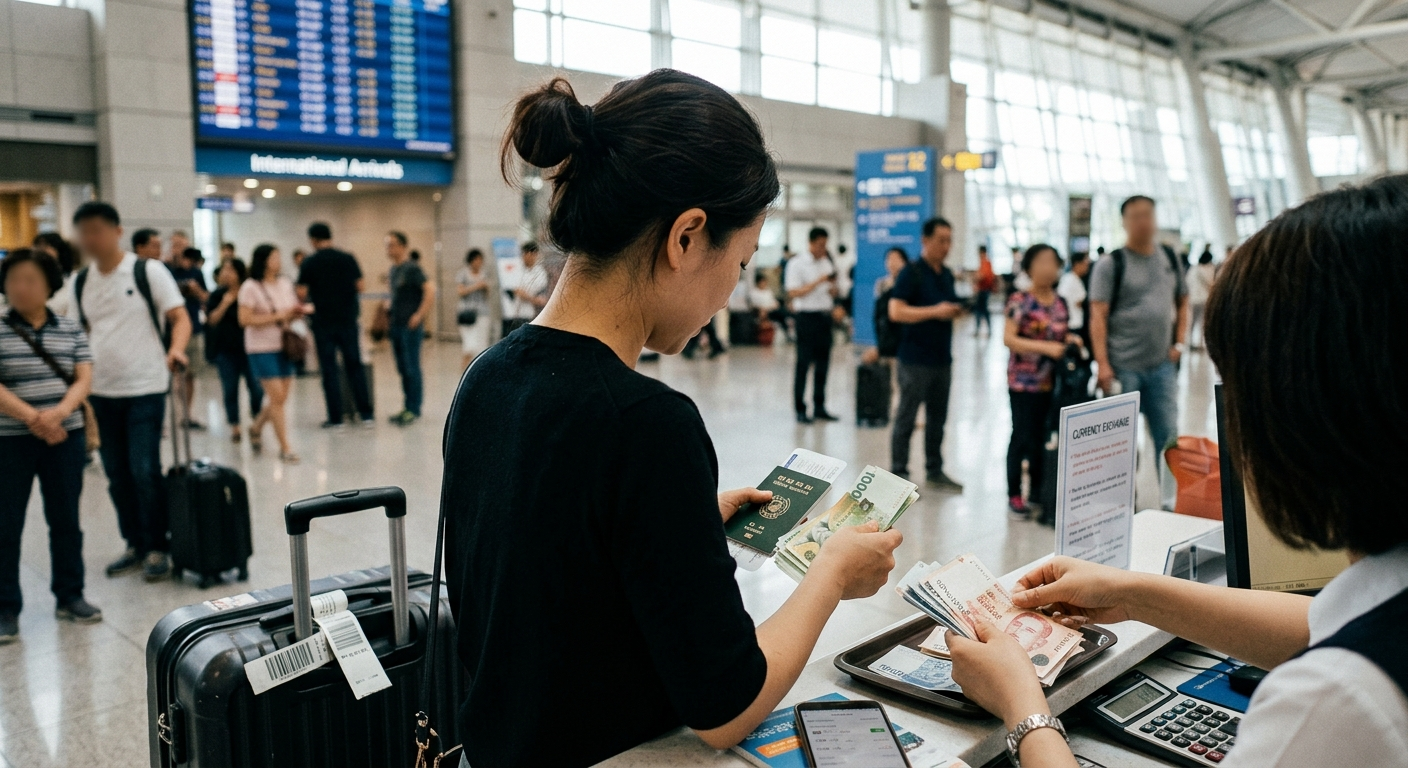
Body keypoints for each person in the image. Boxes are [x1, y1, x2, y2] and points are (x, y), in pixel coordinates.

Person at [443, 72, 903, 768]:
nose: (731, 290)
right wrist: (832, 573)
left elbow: (539, 563)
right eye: (739, 262)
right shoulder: (648, 422)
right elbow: (726, 707)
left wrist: (676, 521)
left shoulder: (486, 376)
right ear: (687, 236)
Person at [947, 175, 1408, 768]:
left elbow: (1337, 649)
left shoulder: (1340, 702)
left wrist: (1025, 710)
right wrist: (1132, 593)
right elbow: (1320, 622)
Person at [70, 202, 190, 582]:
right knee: (116, 474)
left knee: (143, 469)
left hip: (145, 387)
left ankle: (157, 545)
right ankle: (134, 543)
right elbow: (77, 335)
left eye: (97, 230)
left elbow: (179, 317)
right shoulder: (80, 281)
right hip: (102, 393)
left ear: (117, 231)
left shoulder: (146, 270)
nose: (91, 239)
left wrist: (177, 348)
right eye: (84, 232)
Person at [0, 249, 101, 643]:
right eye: (13, 280)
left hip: (65, 437)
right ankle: (6, 607)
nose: (20, 288)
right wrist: (33, 418)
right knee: (7, 525)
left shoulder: (71, 328)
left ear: (49, 285)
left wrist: (57, 415)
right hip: (10, 442)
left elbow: (83, 379)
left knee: (65, 521)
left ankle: (70, 595)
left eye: (30, 279)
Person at [1089, 195, 1188, 510]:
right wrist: (1103, 364)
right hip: (1123, 368)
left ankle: (1172, 505)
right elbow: (1098, 316)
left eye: (1148, 214)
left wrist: (1179, 343)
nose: (1143, 221)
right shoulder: (1111, 264)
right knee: (1121, 443)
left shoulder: (1169, 259)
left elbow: (1183, 301)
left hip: (1162, 366)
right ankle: (1120, 505)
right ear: (1124, 222)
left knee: (1168, 439)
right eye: (1135, 216)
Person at [888, 218, 965, 492]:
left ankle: (935, 470)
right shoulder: (911, 273)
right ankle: (898, 475)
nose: (946, 246)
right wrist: (935, 311)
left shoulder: (945, 274)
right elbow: (896, 311)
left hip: (941, 360)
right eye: (941, 240)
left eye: (949, 240)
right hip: (914, 359)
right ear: (925, 240)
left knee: (937, 420)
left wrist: (952, 310)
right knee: (906, 418)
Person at [1003, 244, 1076, 520]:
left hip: (1052, 384)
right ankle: (1014, 493)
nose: (1048, 268)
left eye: (1052, 262)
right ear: (1029, 267)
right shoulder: (1019, 301)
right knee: (1021, 436)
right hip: (1023, 383)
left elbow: (1061, 333)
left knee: (1043, 439)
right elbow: (1009, 339)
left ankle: (1036, 490)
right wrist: (1046, 348)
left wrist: (1070, 340)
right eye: (1041, 262)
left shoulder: (1060, 303)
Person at [296, 222, 373, 427]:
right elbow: (361, 286)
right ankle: (365, 414)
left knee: (329, 370)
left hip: (323, 323)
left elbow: (301, 293)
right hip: (348, 320)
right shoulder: (347, 258)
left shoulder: (310, 262)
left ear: (313, 239)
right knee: (354, 366)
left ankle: (336, 418)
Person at [239, 244, 301, 463]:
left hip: (284, 345)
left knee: (281, 398)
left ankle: (255, 427)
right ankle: (285, 447)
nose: (278, 261)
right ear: (263, 260)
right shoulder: (250, 287)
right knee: (276, 397)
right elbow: (244, 319)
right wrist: (277, 317)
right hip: (261, 348)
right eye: (274, 257)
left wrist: (295, 314)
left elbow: (289, 310)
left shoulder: (284, 283)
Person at [205, 257, 263, 444]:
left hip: (250, 348)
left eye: (230, 270)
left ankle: (256, 421)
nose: (226, 274)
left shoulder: (250, 291)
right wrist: (225, 302)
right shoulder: (217, 294)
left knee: (256, 389)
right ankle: (235, 425)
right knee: (230, 389)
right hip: (226, 351)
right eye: (224, 270)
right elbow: (211, 320)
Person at [785, 226, 839, 423]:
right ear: (810, 243)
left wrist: (833, 290)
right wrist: (818, 281)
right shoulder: (797, 264)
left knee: (823, 365)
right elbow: (792, 292)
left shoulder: (827, 262)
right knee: (804, 363)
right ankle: (800, 408)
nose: (822, 249)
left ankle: (820, 406)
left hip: (825, 317)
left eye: (825, 245)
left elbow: (833, 290)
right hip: (806, 318)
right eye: (819, 245)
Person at [384, 231, 434, 425]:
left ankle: (414, 408)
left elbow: (430, 290)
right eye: (387, 245)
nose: (389, 248)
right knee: (403, 368)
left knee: (412, 367)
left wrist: (419, 315)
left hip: (410, 327)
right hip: (396, 325)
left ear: (403, 246)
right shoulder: (393, 270)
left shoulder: (412, 268)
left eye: (393, 244)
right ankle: (407, 406)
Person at [168, 247, 210, 430]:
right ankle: (174, 414)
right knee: (175, 376)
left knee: (189, 374)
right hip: (170, 330)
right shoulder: (166, 271)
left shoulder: (196, 273)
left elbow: (205, 297)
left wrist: (195, 289)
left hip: (192, 327)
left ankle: (187, 413)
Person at [455, 248, 490, 367]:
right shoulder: (463, 274)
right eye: (476, 259)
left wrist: (485, 288)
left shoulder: (484, 273)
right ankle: (465, 368)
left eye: (481, 260)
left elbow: (487, 295)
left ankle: (478, 368)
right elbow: (460, 292)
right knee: (469, 345)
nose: (479, 262)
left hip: (482, 312)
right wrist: (476, 286)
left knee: (482, 344)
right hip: (467, 313)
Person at [504, 241, 548, 336]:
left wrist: (528, 297)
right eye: (526, 254)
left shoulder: (540, 272)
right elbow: (517, 291)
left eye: (533, 254)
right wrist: (532, 298)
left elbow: (541, 297)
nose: (530, 257)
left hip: (529, 314)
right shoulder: (514, 269)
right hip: (512, 313)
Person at [32, 232, 79, 317]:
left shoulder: (74, 279)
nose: (40, 250)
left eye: (46, 246)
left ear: (58, 250)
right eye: (37, 246)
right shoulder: (33, 279)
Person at [1057, 250, 1091, 349]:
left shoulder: (1074, 279)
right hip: (1072, 323)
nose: (1087, 267)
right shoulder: (1070, 280)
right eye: (1085, 264)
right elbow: (1073, 302)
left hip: (1075, 322)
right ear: (1077, 264)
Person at [1187, 248, 1217, 350]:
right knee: (1201, 322)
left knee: (1192, 321)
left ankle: (1189, 342)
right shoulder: (1209, 269)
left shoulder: (1194, 268)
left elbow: (1187, 281)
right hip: (1204, 299)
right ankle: (1199, 343)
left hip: (1192, 298)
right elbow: (1211, 283)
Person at [973, 245, 997, 336]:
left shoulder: (986, 263)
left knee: (981, 311)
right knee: (981, 310)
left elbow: (984, 276)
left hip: (984, 290)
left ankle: (984, 329)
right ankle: (979, 329)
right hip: (982, 290)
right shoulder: (983, 263)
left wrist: (977, 277)